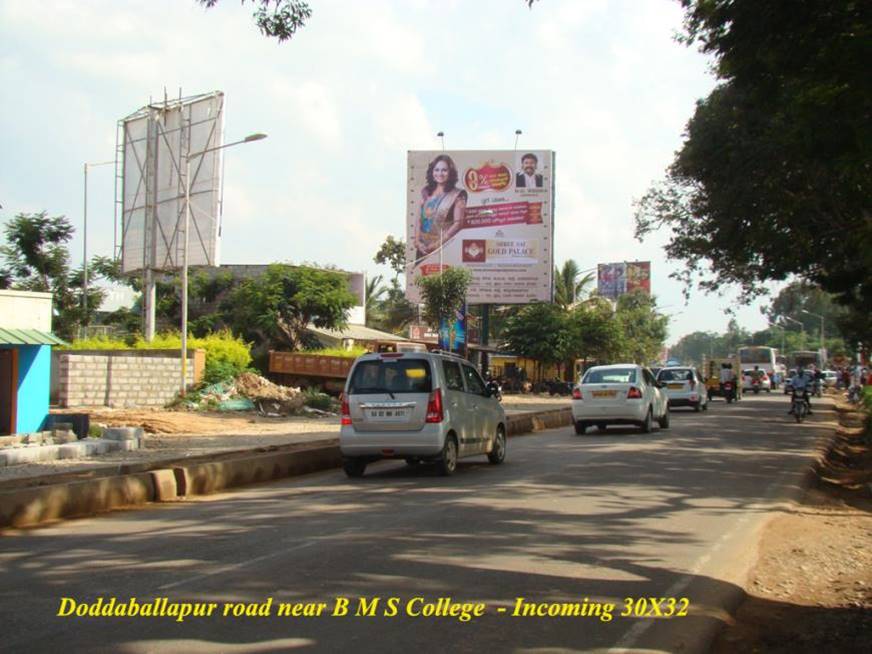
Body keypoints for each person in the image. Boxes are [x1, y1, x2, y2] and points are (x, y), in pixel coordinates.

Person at [414, 154, 467, 261]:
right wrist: (417, 241)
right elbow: (419, 219)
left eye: (444, 170)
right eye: (436, 170)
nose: (440, 174)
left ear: (450, 172)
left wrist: (436, 245)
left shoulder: (457, 195)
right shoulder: (426, 192)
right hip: (422, 247)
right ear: (432, 172)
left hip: (444, 248)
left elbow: (458, 224)